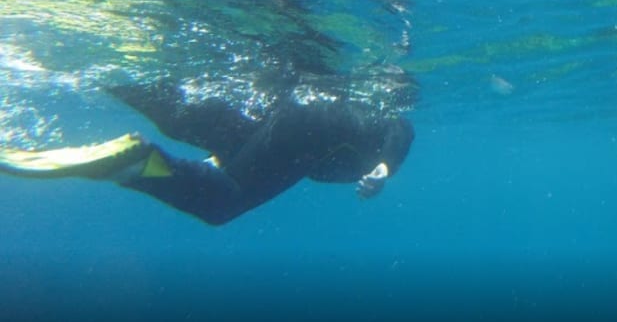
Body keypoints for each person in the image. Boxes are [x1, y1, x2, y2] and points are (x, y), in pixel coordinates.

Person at [0, 80, 414, 225]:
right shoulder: (387, 119)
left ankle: (116, 81)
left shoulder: (359, 108)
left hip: (283, 116)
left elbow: (262, 151)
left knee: (179, 116)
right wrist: (385, 168)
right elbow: (401, 131)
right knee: (220, 204)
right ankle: (135, 164)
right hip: (305, 127)